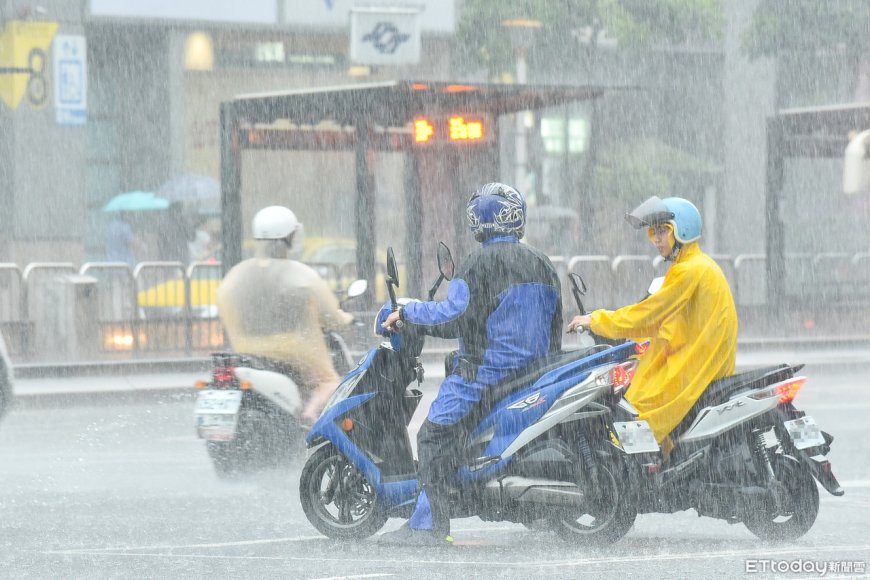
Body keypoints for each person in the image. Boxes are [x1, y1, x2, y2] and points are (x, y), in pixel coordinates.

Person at [380, 182, 563, 546]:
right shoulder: (542, 263)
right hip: (534, 373)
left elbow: (456, 312)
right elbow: (554, 321)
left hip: (486, 374)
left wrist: (408, 310)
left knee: (432, 435)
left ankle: (428, 525)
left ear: (480, 221)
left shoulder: (479, 263)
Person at [567, 196, 738, 454]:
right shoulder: (701, 265)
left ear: (682, 230)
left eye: (663, 232)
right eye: (653, 233)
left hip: (693, 364)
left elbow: (649, 315)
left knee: (635, 410)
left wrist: (597, 320)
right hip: (699, 359)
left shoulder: (688, 270)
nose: (657, 240)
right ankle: (664, 466)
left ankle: (641, 474)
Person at [216, 206, 353, 425]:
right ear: (291, 237)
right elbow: (331, 316)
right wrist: (347, 319)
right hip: (294, 355)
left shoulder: (237, 275)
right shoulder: (300, 275)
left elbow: (225, 305)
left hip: (249, 352)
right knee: (331, 381)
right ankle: (310, 414)